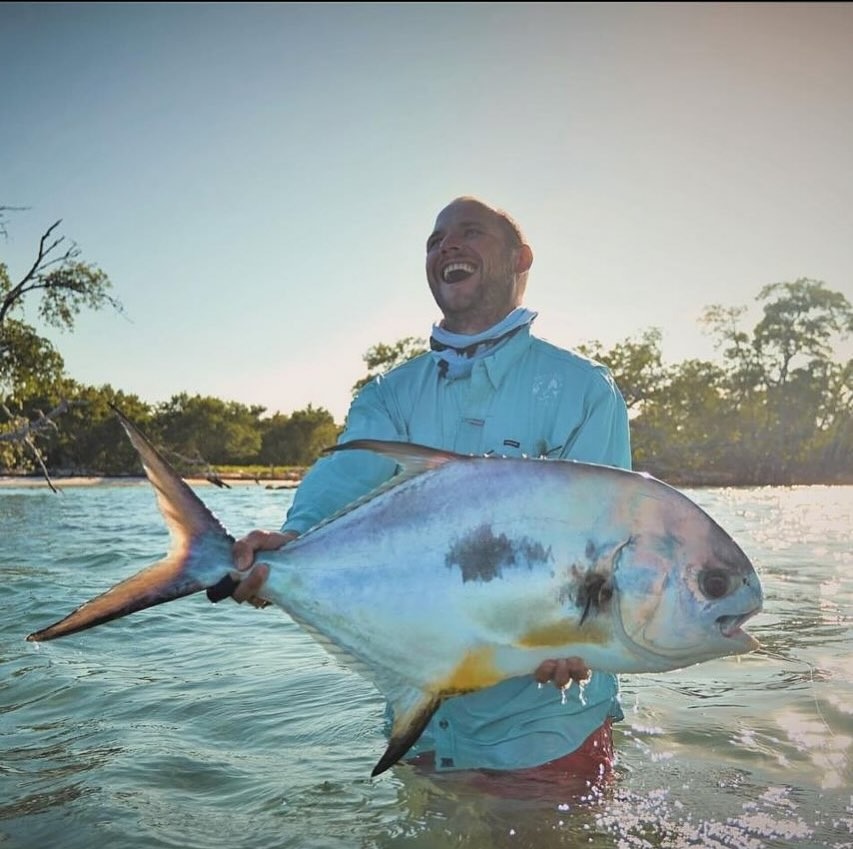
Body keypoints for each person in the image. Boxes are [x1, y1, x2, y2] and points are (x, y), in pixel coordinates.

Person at [230, 196, 632, 779]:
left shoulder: (583, 391)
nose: (447, 245)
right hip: (420, 730)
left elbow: (604, 549)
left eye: (470, 232)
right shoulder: (388, 395)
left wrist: (586, 635)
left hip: (546, 734)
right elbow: (336, 491)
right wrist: (286, 551)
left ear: (521, 258)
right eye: (435, 239)